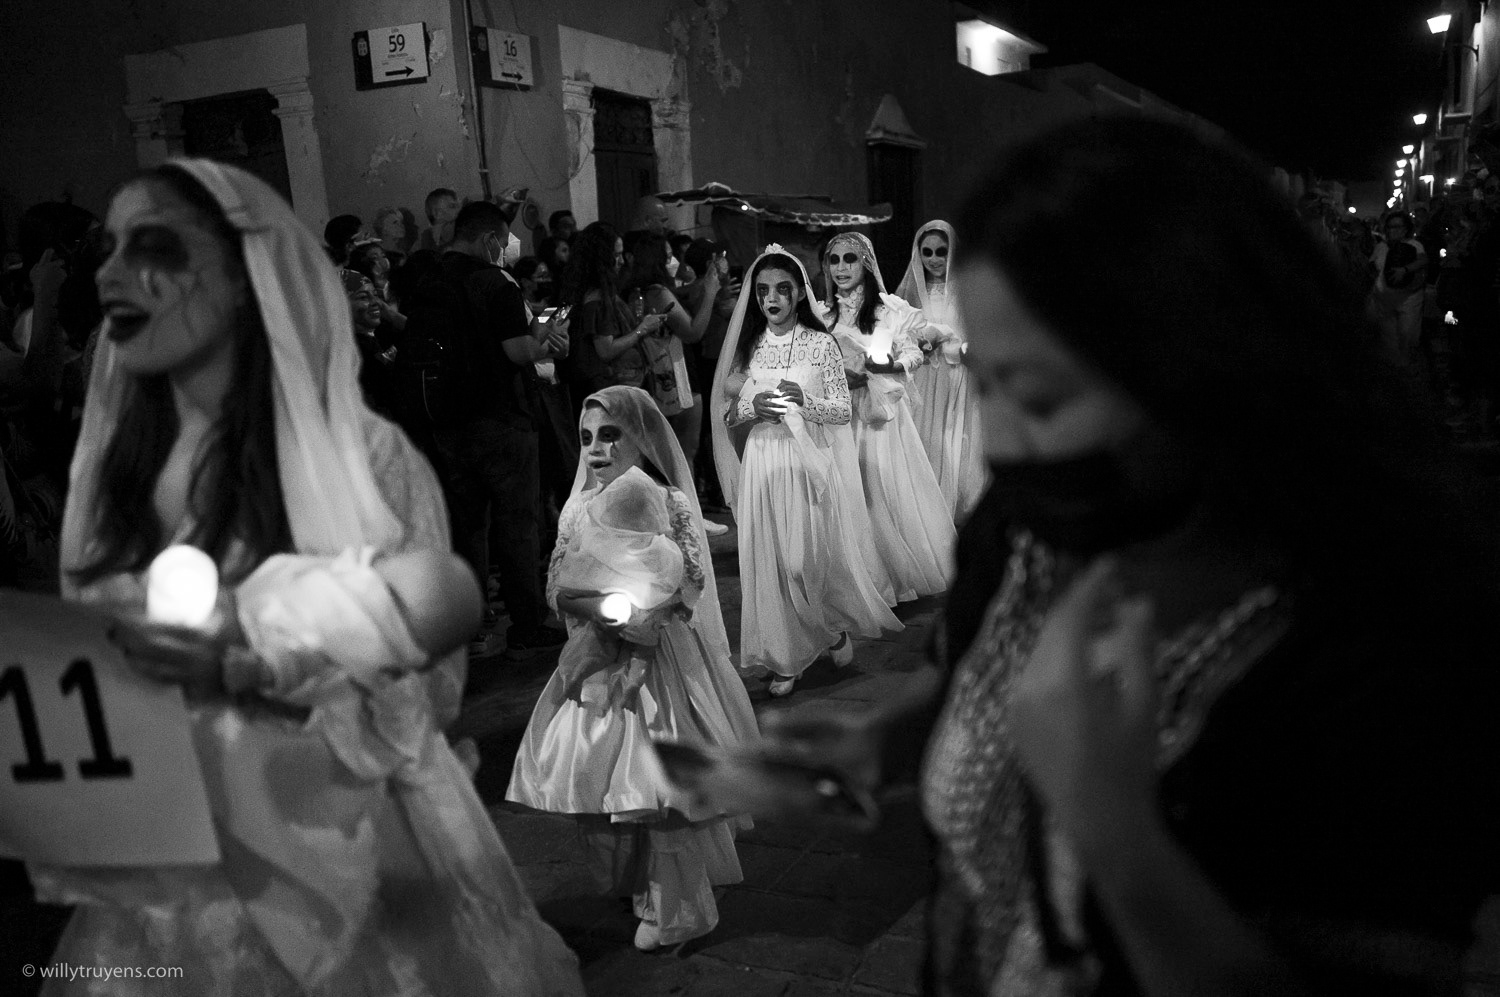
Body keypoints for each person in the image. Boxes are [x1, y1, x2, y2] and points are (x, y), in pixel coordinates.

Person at [734, 116, 1500, 996]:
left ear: (1198, 357)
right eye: (987, 384)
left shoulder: (1387, 647)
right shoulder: (1026, 525)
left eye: (1041, 394)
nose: (1004, 442)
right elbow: (969, 662)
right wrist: (892, 735)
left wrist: (1111, 819)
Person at [34, 158, 583, 995]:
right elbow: (89, 659)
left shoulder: (366, 457)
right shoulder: (121, 464)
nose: (117, 278)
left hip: (346, 822)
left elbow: (432, 661)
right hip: (178, 837)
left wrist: (287, 666)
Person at [508, 385, 757, 951]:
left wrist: (649, 612)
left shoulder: (669, 501)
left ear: (641, 438)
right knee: (618, 783)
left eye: (610, 435)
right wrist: (599, 609)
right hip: (600, 659)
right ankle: (645, 886)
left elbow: (690, 579)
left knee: (660, 779)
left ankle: (682, 905)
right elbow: (556, 584)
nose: (596, 449)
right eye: (586, 438)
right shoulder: (577, 507)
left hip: (661, 658)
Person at [710, 246, 901, 696]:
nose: (771, 299)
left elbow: (840, 411)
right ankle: (785, 659)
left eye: (781, 289)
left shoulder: (820, 344)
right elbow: (728, 415)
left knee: (801, 563)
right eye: (762, 291)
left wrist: (803, 400)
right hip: (763, 461)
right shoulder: (750, 346)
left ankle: (829, 628)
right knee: (769, 565)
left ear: (799, 293)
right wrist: (751, 408)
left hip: (806, 462)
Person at [418, 200, 569, 660]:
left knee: (468, 528)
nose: (505, 251)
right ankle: (527, 624)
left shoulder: (426, 277)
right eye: (503, 243)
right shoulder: (494, 281)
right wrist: (549, 334)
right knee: (517, 524)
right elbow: (519, 351)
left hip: (446, 419)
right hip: (502, 418)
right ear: (489, 240)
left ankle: (472, 624)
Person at [821, 231, 955, 603]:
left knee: (878, 490)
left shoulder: (888, 309)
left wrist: (887, 366)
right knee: (846, 492)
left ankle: (888, 581)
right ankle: (853, 579)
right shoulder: (821, 313)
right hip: (837, 414)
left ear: (866, 264)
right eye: (834, 260)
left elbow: (913, 354)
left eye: (850, 259)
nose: (841, 268)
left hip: (878, 418)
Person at [895, 221, 986, 521]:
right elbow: (896, 334)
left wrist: (956, 343)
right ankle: (926, 514)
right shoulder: (910, 297)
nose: (933, 259)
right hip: (923, 378)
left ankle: (958, 513)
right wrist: (919, 342)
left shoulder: (967, 290)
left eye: (941, 252)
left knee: (956, 442)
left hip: (958, 379)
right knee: (925, 441)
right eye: (927, 252)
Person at [557, 222, 669, 423]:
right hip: (608, 389)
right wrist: (642, 329)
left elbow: (555, 321)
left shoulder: (574, 290)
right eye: (616, 255)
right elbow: (606, 349)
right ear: (601, 259)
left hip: (588, 387)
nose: (621, 261)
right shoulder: (598, 298)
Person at [342, 268, 402, 421]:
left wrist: (393, 316)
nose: (375, 302)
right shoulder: (352, 351)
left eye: (375, 295)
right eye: (363, 297)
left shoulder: (382, 334)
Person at [1369, 211, 1428, 366]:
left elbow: (1423, 260)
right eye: (1390, 227)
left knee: (1407, 336)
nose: (1393, 230)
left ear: (1405, 228)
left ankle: (1407, 370)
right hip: (1384, 300)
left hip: (1408, 299)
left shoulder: (1414, 245)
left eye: (1397, 226)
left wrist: (1405, 270)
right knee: (1389, 341)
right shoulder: (1381, 246)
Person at [417, 187, 460, 253]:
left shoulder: (460, 236)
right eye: (452, 206)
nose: (458, 210)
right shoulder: (424, 240)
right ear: (436, 213)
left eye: (458, 206)